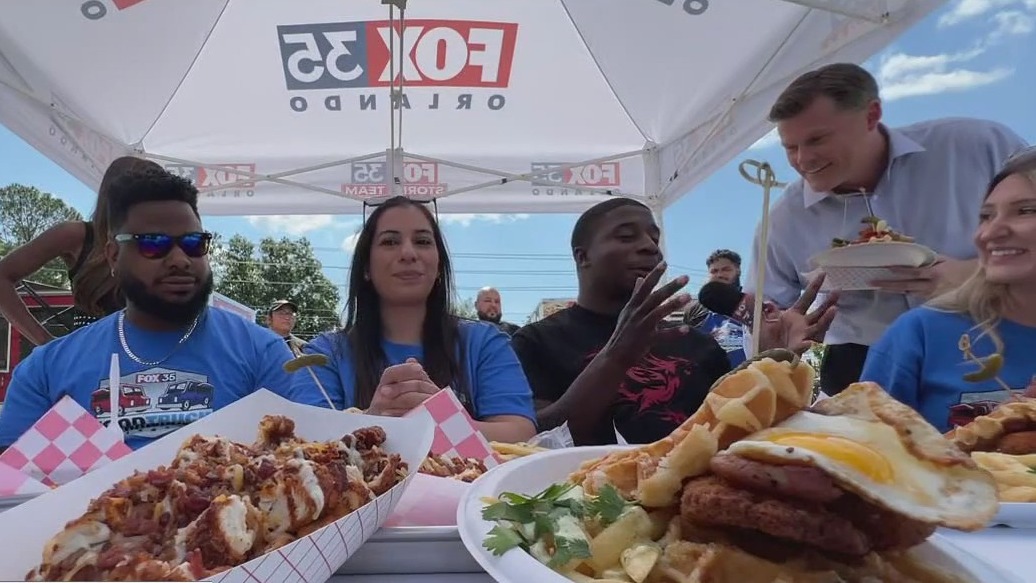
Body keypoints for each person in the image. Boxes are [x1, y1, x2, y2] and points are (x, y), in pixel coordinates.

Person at [747, 62, 1028, 396]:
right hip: (860, 364)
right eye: (790, 147)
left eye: (817, 139)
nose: (803, 160)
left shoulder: (975, 145)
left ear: (871, 115)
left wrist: (978, 276)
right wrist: (778, 329)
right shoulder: (783, 218)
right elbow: (767, 308)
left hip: (998, 337)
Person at [0, 166, 294, 450]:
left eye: (193, 243)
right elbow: (14, 485)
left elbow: (305, 461)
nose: (180, 259)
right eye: (154, 244)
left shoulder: (262, 353)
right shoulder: (46, 370)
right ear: (113, 256)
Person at [511, 198, 837, 446]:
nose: (649, 246)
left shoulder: (696, 342)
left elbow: (739, 427)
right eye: (626, 237)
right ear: (583, 257)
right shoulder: (537, 342)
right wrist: (615, 358)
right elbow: (540, 441)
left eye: (654, 238)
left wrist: (774, 359)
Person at [288, 196, 537, 443]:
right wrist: (373, 424)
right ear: (365, 267)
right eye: (390, 242)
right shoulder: (323, 355)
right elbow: (306, 443)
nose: (408, 253)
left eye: (422, 241)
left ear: (439, 265)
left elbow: (519, 433)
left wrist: (443, 420)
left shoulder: (484, 343)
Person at [860, 148, 1036, 432]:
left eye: (1026, 210)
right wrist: (994, 429)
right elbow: (864, 455)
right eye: (986, 216)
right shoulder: (922, 334)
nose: (990, 233)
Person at [0, 156, 161, 346]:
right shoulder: (77, 235)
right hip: (90, 361)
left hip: (152, 360)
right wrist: (45, 342)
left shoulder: (162, 243)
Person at [684, 249, 748, 366]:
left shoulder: (752, 301)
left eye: (726, 269)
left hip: (753, 376)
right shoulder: (694, 310)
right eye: (714, 271)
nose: (719, 275)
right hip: (709, 380)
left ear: (738, 271)